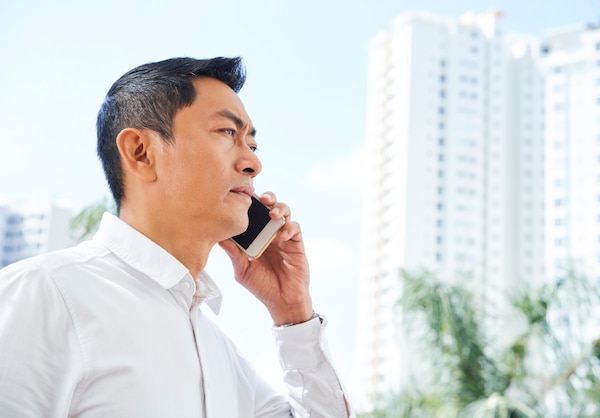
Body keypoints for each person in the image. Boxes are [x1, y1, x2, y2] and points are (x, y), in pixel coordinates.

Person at [0, 57, 351, 417]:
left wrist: (292, 312)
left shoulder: (217, 351)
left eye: (253, 145)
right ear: (141, 152)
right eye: (228, 133)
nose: (253, 163)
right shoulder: (44, 294)